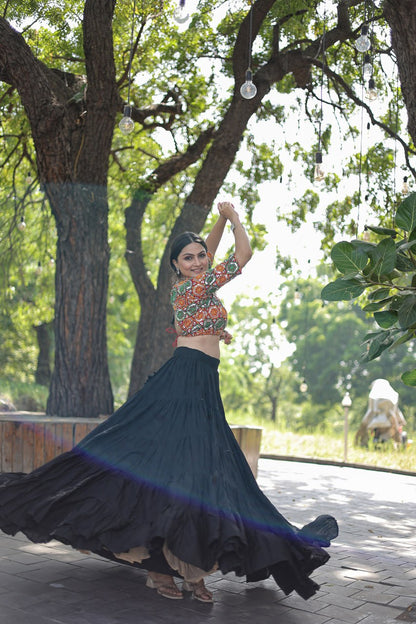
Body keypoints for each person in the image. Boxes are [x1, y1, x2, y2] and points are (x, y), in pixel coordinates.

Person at [0, 201, 338, 604]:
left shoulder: (195, 284)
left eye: (200, 256)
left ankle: (185, 569)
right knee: (185, 473)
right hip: (184, 383)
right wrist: (232, 217)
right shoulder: (195, 285)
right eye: (188, 258)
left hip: (201, 384)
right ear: (175, 265)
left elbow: (206, 265)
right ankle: (167, 570)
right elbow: (243, 255)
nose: (197, 262)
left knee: (197, 475)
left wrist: (212, 229)